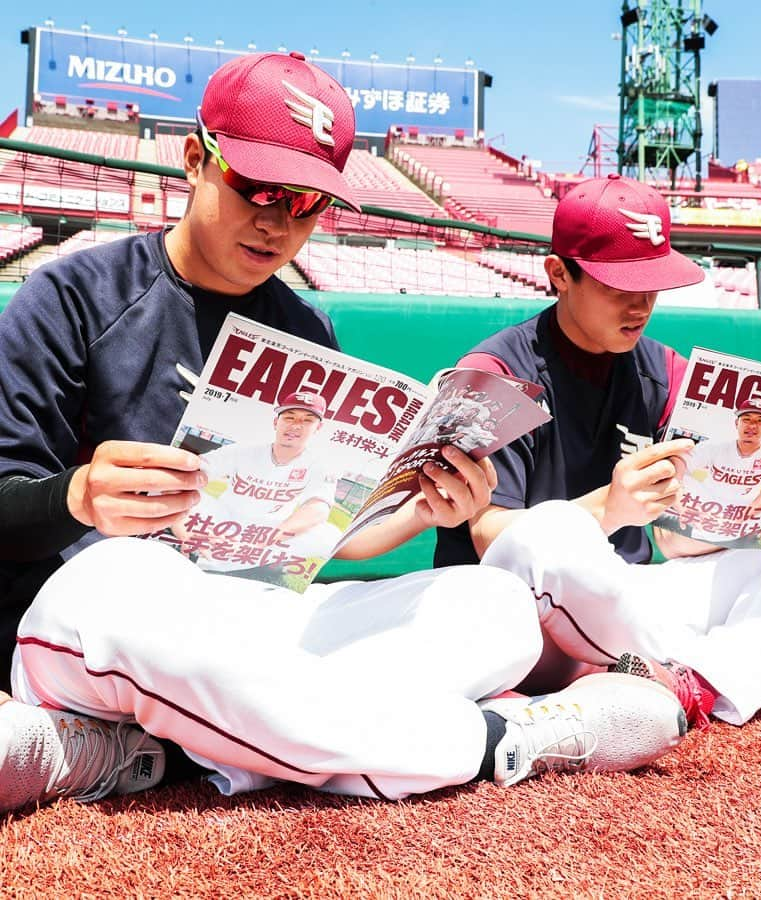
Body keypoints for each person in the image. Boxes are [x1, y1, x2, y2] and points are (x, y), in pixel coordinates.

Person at [0, 56, 686, 812]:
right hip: (96, 610)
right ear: (196, 161)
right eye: (256, 187)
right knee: (134, 577)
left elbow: (324, 538)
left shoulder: (305, 327)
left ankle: (151, 752)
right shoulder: (70, 296)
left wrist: (423, 507)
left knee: (496, 612)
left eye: (305, 202)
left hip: (253, 615)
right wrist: (80, 496)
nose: (276, 219)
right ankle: (507, 739)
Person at [435, 174, 761, 727]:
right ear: (558, 274)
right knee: (547, 535)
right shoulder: (495, 372)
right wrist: (609, 510)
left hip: (630, 604)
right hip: (516, 616)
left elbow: (675, 540)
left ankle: (707, 678)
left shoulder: (663, 371)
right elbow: (488, 538)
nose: (641, 304)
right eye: (619, 284)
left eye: (652, 284)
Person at [171, 390, 342, 572]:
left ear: (318, 428)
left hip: (270, 528)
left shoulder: (320, 464)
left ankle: (227, 557)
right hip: (222, 519)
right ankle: (217, 553)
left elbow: (317, 509)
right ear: (276, 422)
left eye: (307, 420)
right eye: (289, 417)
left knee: (330, 536)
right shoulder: (244, 450)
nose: (296, 425)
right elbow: (191, 473)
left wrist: (264, 540)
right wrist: (181, 524)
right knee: (172, 486)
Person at [658, 397, 761, 546]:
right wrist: (680, 499)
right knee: (677, 473)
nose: (752, 425)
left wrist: (742, 515)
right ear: (737, 423)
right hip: (707, 503)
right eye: (746, 419)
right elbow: (680, 460)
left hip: (744, 507)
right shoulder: (716, 446)